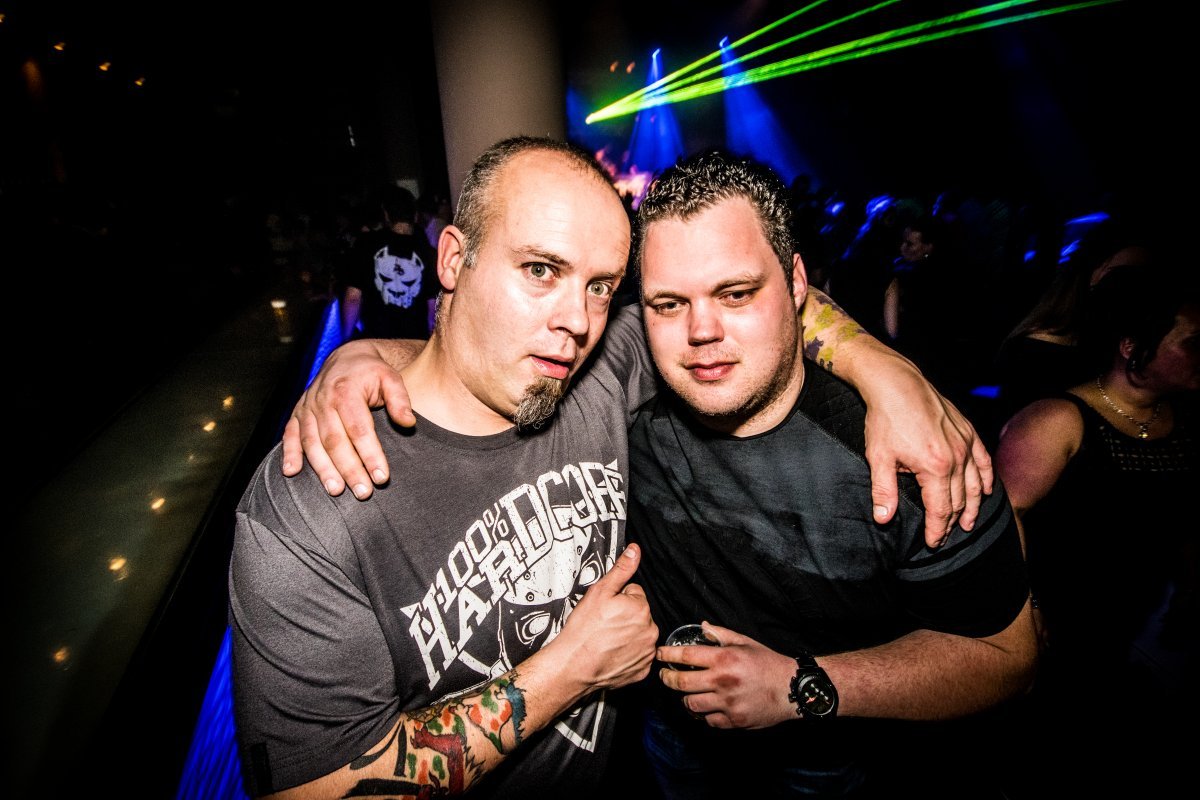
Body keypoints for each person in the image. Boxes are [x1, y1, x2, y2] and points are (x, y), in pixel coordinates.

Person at [231, 137, 663, 798]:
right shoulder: (314, 502)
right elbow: (313, 788)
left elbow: (754, 303)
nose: (577, 320)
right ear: (454, 259)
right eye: (540, 270)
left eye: (599, 286)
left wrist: (877, 364)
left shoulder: (600, 376)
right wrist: (572, 669)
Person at [626, 151, 1035, 797]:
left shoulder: (912, 453)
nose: (701, 331)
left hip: (831, 761)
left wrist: (798, 686)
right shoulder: (628, 398)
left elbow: (1008, 657)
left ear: (796, 283)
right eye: (669, 304)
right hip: (672, 743)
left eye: (736, 294)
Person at [994, 264, 1198, 797]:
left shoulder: (1185, 423)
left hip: (1134, 624)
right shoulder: (1058, 419)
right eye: (1190, 343)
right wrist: (1027, 610)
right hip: (1058, 626)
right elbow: (1002, 519)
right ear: (1133, 347)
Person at [337, 184, 439, 343]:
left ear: (386, 215)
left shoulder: (366, 244)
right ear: (415, 216)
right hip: (415, 344)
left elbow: (353, 298)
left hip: (377, 343)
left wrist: (345, 340)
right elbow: (432, 306)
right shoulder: (429, 253)